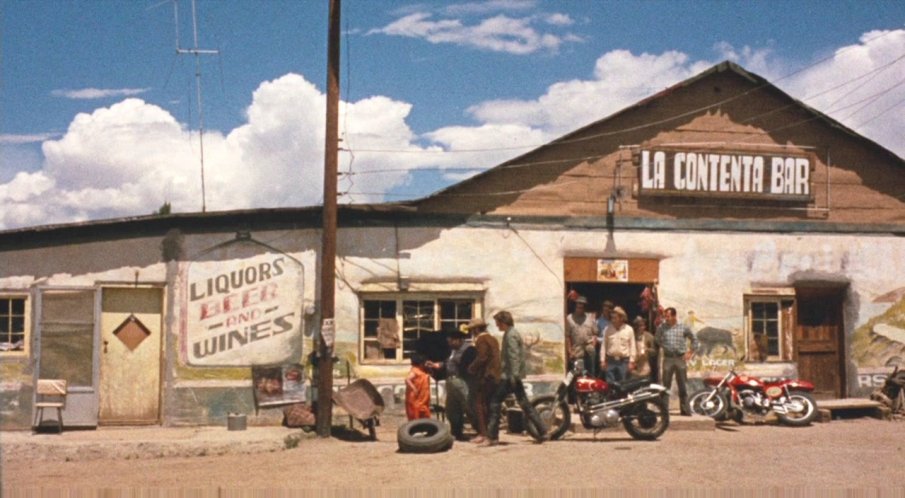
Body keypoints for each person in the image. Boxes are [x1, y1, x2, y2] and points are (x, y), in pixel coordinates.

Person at [485, 310, 548, 446]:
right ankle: (543, 431)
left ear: (503, 322)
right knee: (524, 403)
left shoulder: (511, 335)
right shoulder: (511, 333)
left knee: (495, 403)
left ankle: (492, 437)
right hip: (512, 376)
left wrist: (513, 376)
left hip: (509, 376)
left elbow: (514, 357)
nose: (497, 326)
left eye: (498, 323)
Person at [426, 329, 475, 441]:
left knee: (468, 407)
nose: (450, 344)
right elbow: (448, 363)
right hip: (451, 381)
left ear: (459, 340)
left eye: (451, 341)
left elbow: (469, 367)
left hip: (462, 381)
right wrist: (436, 365)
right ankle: (456, 432)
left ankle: (481, 431)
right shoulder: (454, 351)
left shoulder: (469, 350)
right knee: (452, 409)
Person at [655, 307, 699, 415]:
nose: (666, 318)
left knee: (682, 385)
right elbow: (657, 339)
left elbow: (694, 339)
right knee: (665, 386)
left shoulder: (683, 327)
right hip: (668, 358)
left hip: (680, 358)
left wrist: (690, 352)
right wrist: (664, 346)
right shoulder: (662, 327)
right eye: (665, 316)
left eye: (668, 316)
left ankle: (684, 409)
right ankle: (664, 410)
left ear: (674, 316)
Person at [465, 317, 500, 444]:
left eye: (473, 330)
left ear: (477, 329)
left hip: (486, 376)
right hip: (495, 375)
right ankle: (491, 434)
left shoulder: (481, 339)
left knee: (480, 405)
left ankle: (484, 433)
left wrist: (472, 368)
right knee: (490, 405)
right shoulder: (493, 339)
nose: (471, 332)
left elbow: (482, 357)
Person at [600, 306, 637, 384]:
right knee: (610, 384)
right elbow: (603, 346)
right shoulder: (607, 329)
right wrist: (602, 360)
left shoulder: (629, 330)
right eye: (612, 318)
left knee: (623, 384)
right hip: (610, 361)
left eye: (615, 318)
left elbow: (632, 346)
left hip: (624, 362)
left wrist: (632, 361)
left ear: (621, 318)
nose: (613, 320)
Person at [565, 295, 598, 376]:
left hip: (589, 349)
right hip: (576, 350)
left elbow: (595, 333)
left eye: (582, 306)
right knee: (578, 374)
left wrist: (593, 345)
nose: (580, 308)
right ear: (575, 306)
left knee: (591, 373)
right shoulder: (569, 318)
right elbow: (567, 336)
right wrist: (570, 351)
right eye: (578, 306)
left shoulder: (590, 318)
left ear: (584, 307)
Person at [405, 352, 431, 420]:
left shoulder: (423, 371)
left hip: (423, 398)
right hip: (416, 399)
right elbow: (407, 379)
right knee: (415, 415)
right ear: (420, 363)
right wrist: (413, 388)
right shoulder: (415, 370)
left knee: (425, 415)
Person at [631, 316, 658, 380]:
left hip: (646, 365)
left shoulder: (649, 336)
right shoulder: (632, 336)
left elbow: (655, 351)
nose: (642, 327)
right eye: (640, 326)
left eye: (643, 325)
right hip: (635, 365)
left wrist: (647, 349)